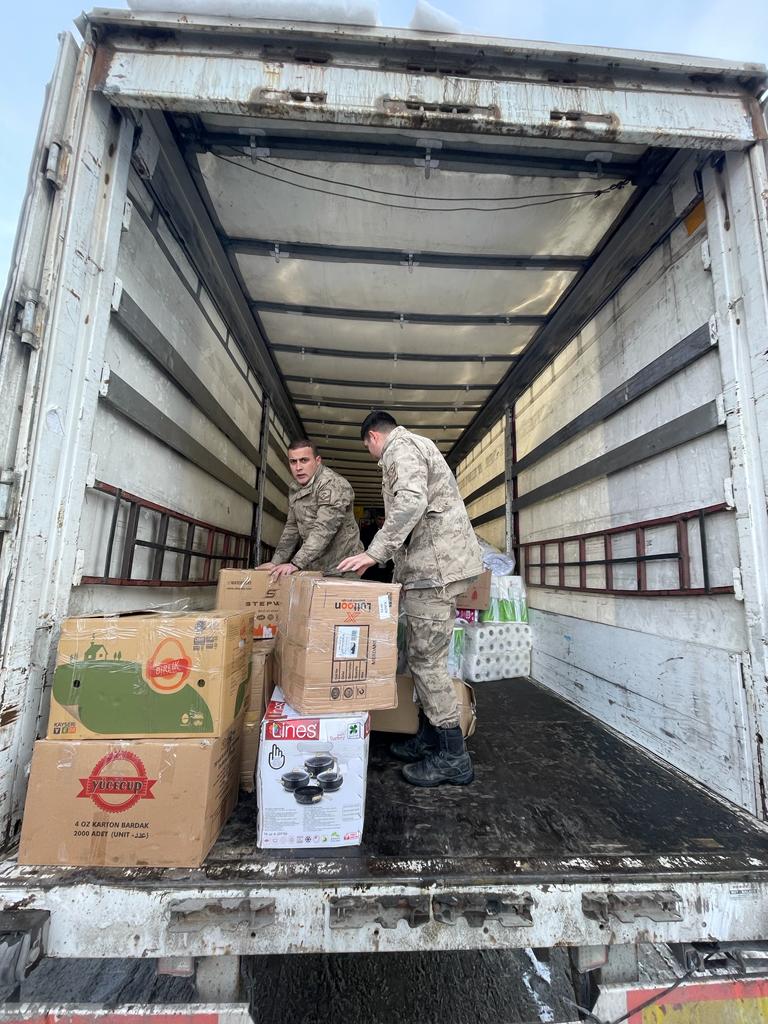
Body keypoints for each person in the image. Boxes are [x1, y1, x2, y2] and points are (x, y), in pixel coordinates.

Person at [338, 411, 482, 787]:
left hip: (435, 570)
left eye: (367, 448)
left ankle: (453, 757)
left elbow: (411, 503)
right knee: (423, 659)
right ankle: (431, 737)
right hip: (430, 568)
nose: (371, 455)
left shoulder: (400, 448)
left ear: (372, 437)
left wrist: (375, 553)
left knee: (426, 662)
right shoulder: (416, 446)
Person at [259, 438, 362, 579]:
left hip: (342, 567)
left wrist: (296, 563)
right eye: (293, 462)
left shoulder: (332, 485)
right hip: (314, 565)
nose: (298, 467)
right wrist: (276, 561)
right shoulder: (295, 488)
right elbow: (292, 528)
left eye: (304, 460)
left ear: (317, 460)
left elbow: (324, 529)